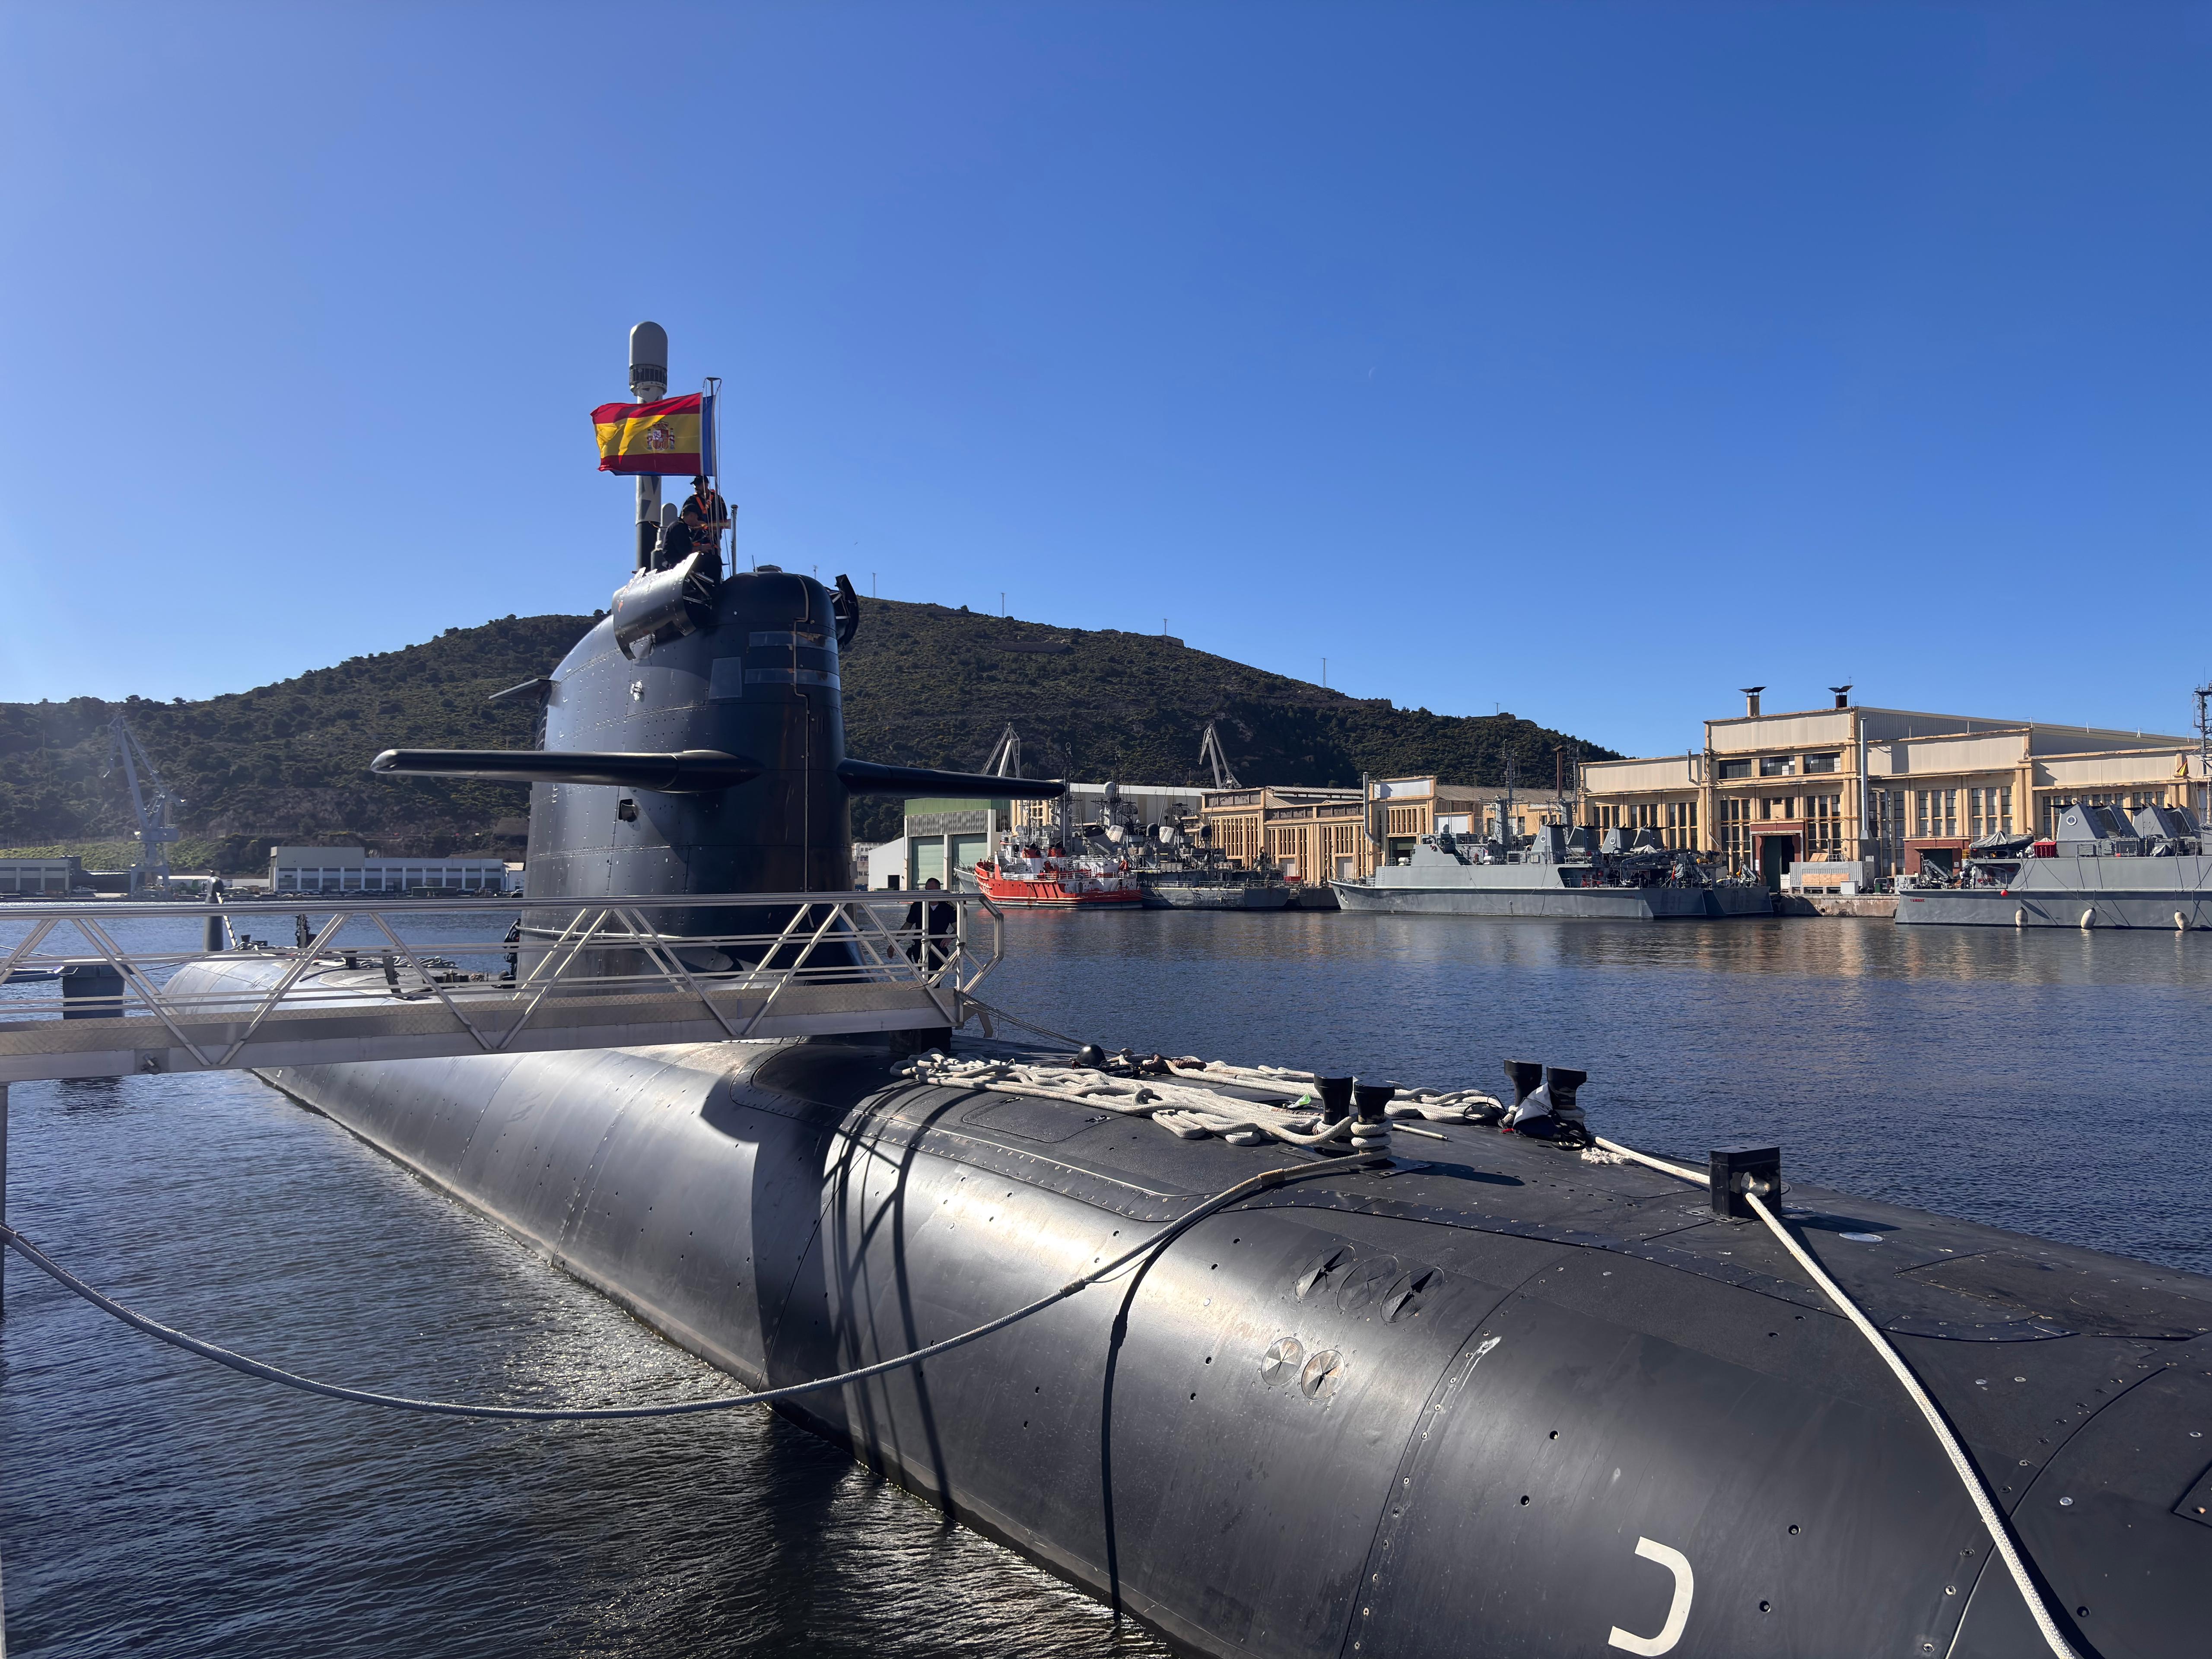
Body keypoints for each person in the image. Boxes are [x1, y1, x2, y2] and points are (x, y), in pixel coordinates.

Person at [901, 877, 957, 971]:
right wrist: (894, 944)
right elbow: (908, 925)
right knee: (924, 975)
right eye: (927, 890)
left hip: (939, 947)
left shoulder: (947, 908)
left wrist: (950, 937)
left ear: (939, 891)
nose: (928, 893)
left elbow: (958, 927)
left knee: (935, 978)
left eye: (931, 890)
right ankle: (926, 985)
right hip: (920, 947)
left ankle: (931, 985)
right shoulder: (917, 906)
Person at [680, 475, 730, 575]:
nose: (696, 488)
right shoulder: (691, 500)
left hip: (713, 541)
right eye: (695, 486)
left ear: (706, 484)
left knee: (713, 564)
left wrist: (714, 532)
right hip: (696, 539)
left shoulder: (718, 500)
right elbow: (683, 518)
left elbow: (723, 518)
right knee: (695, 567)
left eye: (698, 485)